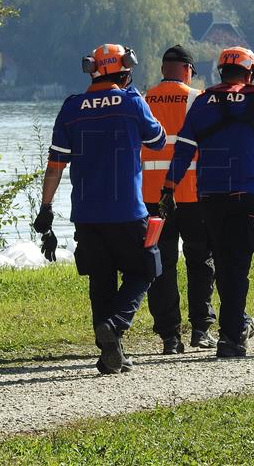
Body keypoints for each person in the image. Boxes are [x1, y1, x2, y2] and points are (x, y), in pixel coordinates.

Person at [32, 43, 166, 375]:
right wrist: (131, 95)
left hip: (87, 214)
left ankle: (110, 355)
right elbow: (158, 140)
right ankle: (115, 325)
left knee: (100, 280)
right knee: (145, 270)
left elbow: (55, 164)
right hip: (128, 211)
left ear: (92, 70)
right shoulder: (132, 102)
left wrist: (46, 207)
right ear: (126, 69)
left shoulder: (72, 107)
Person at [162, 46, 254, 358]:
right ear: (251, 72)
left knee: (224, 264)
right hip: (246, 196)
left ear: (220, 72)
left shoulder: (201, 103)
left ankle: (233, 326)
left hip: (209, 197)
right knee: (237, 266)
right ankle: (232, 336)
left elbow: (183, 151)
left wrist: (168, 188)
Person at [141, 45, 216, 354]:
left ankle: (170, 336)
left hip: (152, 197)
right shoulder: (198, 99)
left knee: (161, 264)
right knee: (200, 261)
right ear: (188, 70)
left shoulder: (144, 99)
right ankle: (201, 329)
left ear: (163, 70)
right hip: (192, 193)